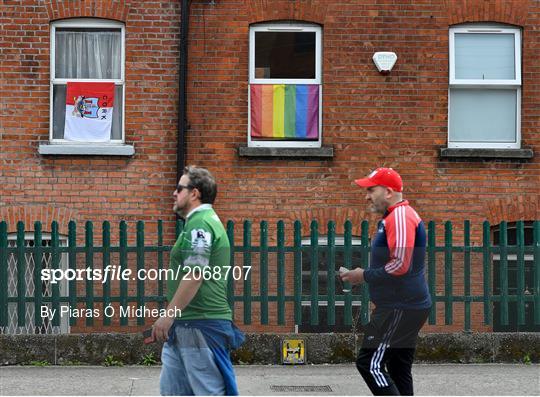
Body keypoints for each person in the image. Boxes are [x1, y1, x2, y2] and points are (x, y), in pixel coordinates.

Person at [152, 166, 245, 396]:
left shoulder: (200, 225)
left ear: (194, 193)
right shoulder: (198, 223)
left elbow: (195, 274)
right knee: (173, 392)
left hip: (200, 325)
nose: (174, 193)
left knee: (208, 391)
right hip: (187, 325)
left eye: (179, 188)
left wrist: (168, 315)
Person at [340, 167, 431, 396]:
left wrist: (363, 275)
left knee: (369, 364)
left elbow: (400, 264)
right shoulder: (395, 217)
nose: (366, 196)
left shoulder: (400, 216)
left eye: (371, 190)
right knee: (398, 367)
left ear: (388, 191)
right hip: (406, 305)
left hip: (399, 307)